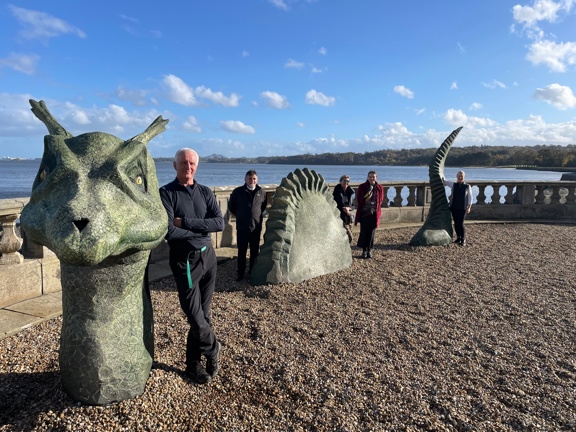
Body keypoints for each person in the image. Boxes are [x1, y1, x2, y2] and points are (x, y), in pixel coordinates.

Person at [159, 148, 225, 385]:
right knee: (194, 315)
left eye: (192, 163)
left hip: (209, 258)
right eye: (184, 163)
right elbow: (169, 230)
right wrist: (201, 228)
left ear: (197, 166)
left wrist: (186, 222)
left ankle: (192, 364)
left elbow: (219, 223)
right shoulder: (166, 193)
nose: (188, 167)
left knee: (203, 315)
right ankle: (213, 347)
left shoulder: (205, 192)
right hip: (184, 261)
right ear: (174, 165)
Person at [228, 170, 268, 281]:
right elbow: (232, 206)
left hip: (256, 227)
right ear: (245, 179)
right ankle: (240, 273)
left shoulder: (262, 192)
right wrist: (241, 216)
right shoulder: (238, 192)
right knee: (242, 251)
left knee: (254, 251)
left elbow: (263, 207)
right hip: (242, 227)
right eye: (250, 178)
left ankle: (252, 272)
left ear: (257, 180)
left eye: (254, 178)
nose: (252, 180)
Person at [354, 171, 384, 258]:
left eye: (373, 177)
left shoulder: (379, 187)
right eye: (370, 176)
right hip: (364, 213)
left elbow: (381, 200)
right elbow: (359, 199)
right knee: (364, 232)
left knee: (372, 233)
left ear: (376, 178)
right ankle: (364, 251)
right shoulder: (362, 187)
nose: (372, 178)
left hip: (374, 213)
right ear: (367, 177)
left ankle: (369, 250)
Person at [443, 170, 473, 246]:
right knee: (456, 223)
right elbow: (444, 181)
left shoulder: (467, 186)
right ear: (457, 177)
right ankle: (458, 238)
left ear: (464, 177)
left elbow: (470, 197)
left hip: (463, 208)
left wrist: (469, 207)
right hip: (454, 207)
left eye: (461, 176)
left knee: (461, 223)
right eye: (459, 176)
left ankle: (463, 239)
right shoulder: (453, 184)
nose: (460, 177)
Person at [332, 174, 355, 243]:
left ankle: (347, 251)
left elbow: (353, 206)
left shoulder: (350, 192)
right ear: (340, 181)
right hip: (340, 217)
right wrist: (343, 208)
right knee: (350, 237)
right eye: (344, 181)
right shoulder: (336, 192)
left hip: (349, 217)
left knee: (346, 237)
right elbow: (333, 204)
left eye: (348, 181)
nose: (346, 182)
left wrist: (349, 209)